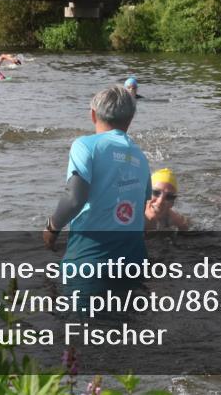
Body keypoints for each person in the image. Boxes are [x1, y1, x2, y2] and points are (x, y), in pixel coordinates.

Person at [43, 86, 150, 293]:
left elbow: (75, 198)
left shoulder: (85, 145)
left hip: (91, 260)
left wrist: (52, 228)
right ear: (131, 119)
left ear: (93, 115)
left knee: (82, 324)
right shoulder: (140, 156)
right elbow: (141, 212)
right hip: (135, 261)